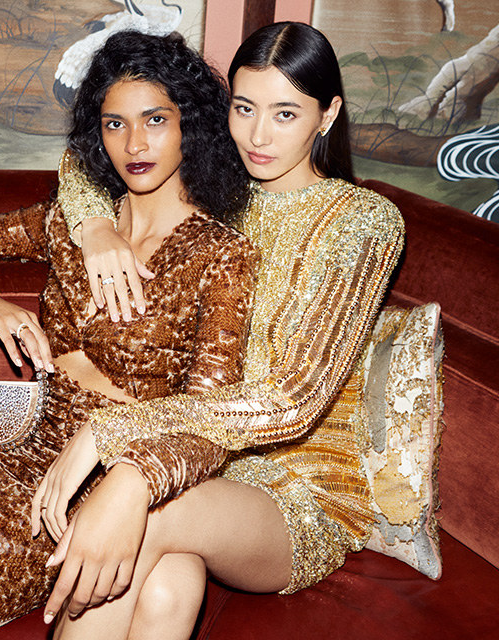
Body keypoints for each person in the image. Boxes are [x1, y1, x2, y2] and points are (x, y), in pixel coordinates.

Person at [0, 31, 258, 640]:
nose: (135, 144)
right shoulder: (71, 224)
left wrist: (124, 459)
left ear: (192, 125)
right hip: (9, 446)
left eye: (156, 119)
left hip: (91, 488)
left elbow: (211, 417)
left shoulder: (222, 257)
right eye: (114, 123)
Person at [37, 21, 405, 640]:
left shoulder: (362, 221)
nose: (258, 136)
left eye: (286, 113)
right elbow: (83, 157)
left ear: (327, 114)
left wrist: (120, 442)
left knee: (138, 515)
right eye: (244, 108)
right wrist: (96, 228)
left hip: (300, 494)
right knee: (166, 583)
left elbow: (288, 401)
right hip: (203, 463)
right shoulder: (222, 186)